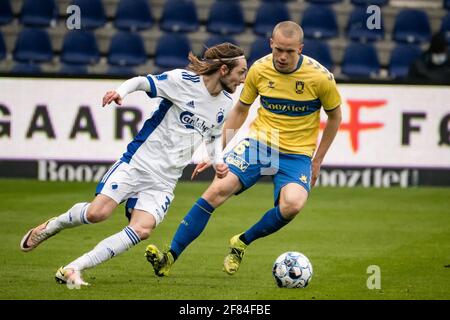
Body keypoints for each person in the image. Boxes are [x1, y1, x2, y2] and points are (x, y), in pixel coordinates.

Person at [19, 43, 247, 287]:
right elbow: (141, 81)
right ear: (223, 69)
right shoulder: (182, 80)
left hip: (165, 180)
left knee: (142, 229)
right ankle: (53, 226)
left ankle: (74, 268)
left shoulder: (224, 103)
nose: (243, 79)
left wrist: (217, 161)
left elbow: (212, 137)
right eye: (241, 72)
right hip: (138, 162)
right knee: (97, 214)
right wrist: (120, 92)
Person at [145, 21, 342, 277]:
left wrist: (317, 162)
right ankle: (169, 257)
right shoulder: (259, 69)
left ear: (300, 49)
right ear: (271, 43)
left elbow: (335, 118)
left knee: (292, 205)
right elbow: (240, 110)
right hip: (262, 141)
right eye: (278, 49)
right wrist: (217, 150)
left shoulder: (320, 78)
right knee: (216, 190)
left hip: (298, 152)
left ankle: (241, 242)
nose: (282, 56)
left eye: (290, 51)